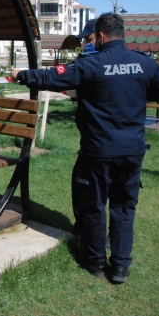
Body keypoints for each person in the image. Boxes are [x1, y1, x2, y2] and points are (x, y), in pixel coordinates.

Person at [11, 12, 159, 283]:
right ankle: (121, 267)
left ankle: (95, 262)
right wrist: (137, 92)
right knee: (124, 207)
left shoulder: (92, 64)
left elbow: (51, 78)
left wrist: (21, 75)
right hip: (132, 151)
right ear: (122, 34)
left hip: (98, 150)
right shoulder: (142, 63)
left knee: (94, 206)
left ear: (100, 36)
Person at [69, 18, 98, 238]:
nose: (84, 45)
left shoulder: (91, 63)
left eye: (88, 40)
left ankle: (88, 236)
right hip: (95, 138)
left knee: (86, 189)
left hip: (97, 143)